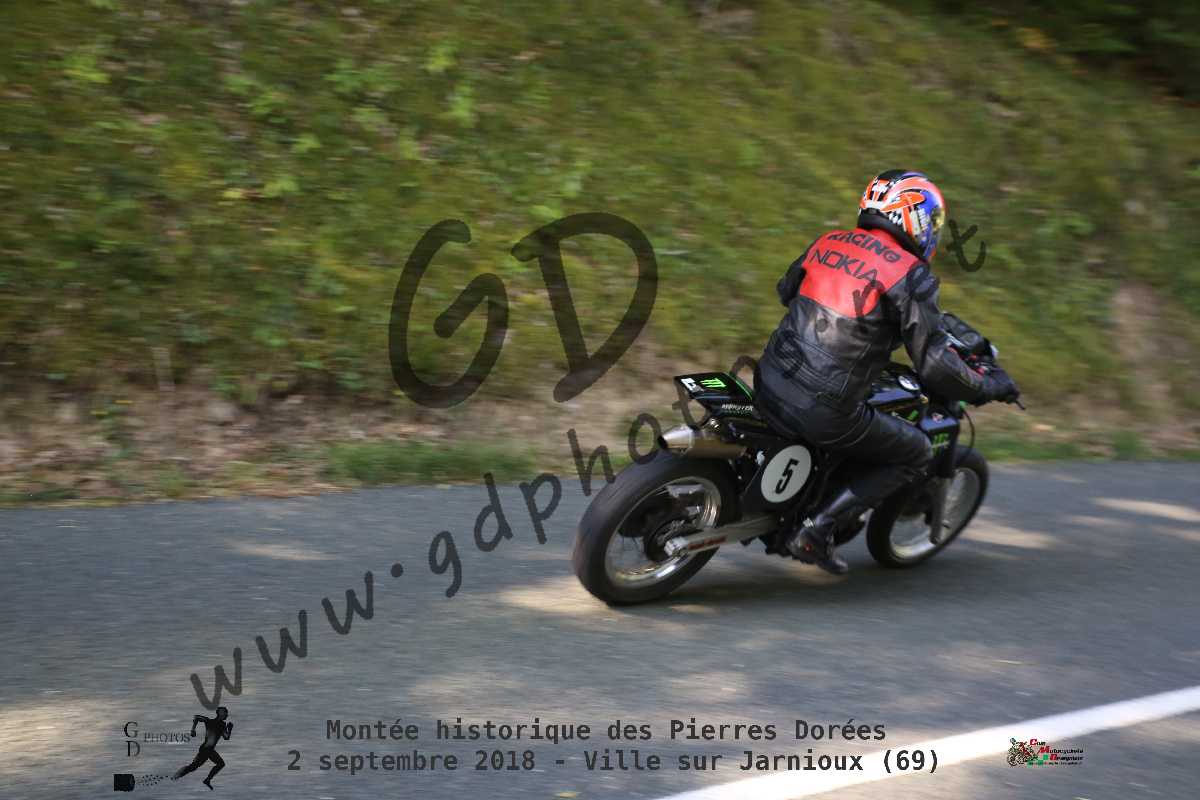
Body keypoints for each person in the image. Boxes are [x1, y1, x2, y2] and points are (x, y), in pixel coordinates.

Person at [754, 170, 1019, 574]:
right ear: (913, 218)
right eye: (931, 221)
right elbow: (935, 365)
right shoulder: (911, 274)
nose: (933, 231)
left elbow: (785, 291)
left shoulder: (828, 241)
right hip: (823, 410)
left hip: (767, 379)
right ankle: (816, 530)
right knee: (916, 451)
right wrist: (988, 385)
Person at [173, 706, 233, 790]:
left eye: (226, 712)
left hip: (209, 750)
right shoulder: (209, 721)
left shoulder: (222, 725)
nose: (227, 714)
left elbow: (226, 737)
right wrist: (193, 730)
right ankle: (176, 776)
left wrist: (229, 729)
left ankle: (206, 780)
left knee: (195, 767)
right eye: (225, 712)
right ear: (220, 713)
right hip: (206, 749)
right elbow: (196, 717)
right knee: (193, 767)